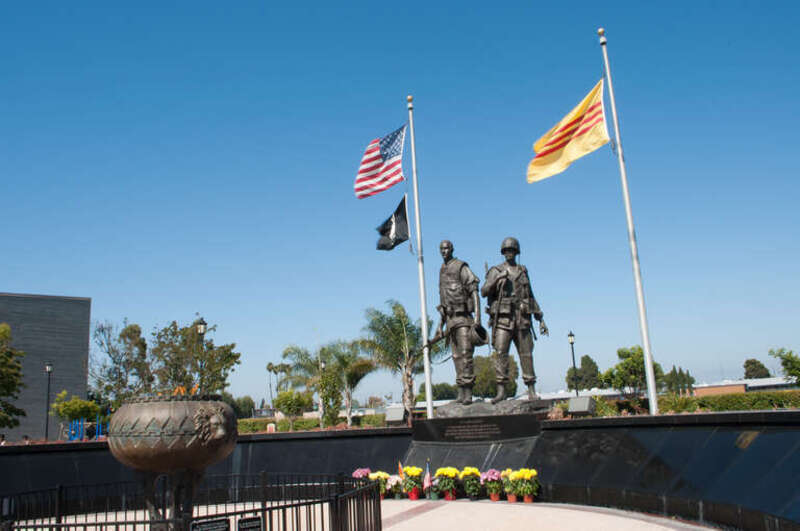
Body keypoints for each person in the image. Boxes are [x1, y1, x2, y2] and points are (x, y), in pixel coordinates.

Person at [482, 237, 549, 402]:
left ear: (516, 252)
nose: (509, 253)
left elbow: (530, 296)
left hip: (522, 319)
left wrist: (540, 318)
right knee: (501, 354)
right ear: (503, 252)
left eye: (511, 250)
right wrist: (498, 279)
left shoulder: (523, 271)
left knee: (526, 354)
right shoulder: (495, 270)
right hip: (503, 320)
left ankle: (531, 389)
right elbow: (483, 291)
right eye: (506, 250)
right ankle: (501, 391)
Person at [431, 240, 483, 405]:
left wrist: (478, 319)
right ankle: (461, 391)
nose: (444, 251)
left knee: (465, 354)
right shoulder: (442, 270)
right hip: (450, 321)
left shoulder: (461, 266)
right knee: (455, 357)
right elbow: (444, 302)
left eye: (446, 248)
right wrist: (440, 324)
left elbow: (474, 290)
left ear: (452, 249)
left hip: (463, 318)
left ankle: (468, 392)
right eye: (441, 249)